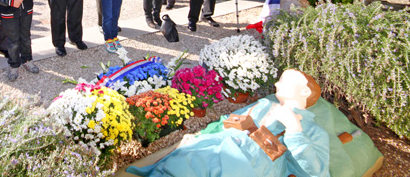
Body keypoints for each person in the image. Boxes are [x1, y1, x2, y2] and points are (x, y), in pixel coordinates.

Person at [126, 69, 383, 177]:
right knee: (181, 160)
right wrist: (208, 134)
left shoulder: (308, 126)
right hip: (226, 147)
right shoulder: (266, 104)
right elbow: (238, 126)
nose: (277, 84)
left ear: (305, 92)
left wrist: (294, 130)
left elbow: (317, 170)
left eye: (285, 80)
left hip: (250, 167)